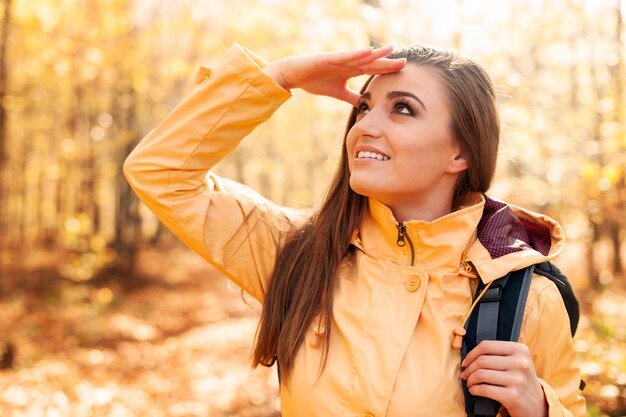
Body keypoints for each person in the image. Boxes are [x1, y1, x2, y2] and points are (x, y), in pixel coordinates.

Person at [123, 42, 586, 417]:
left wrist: (541, 410)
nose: (365, 126)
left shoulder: (526, 298)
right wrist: (279, 77)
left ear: (459, 154)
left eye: (402, 109)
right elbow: (160, 173)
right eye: (364, 108)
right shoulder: (297, 251)